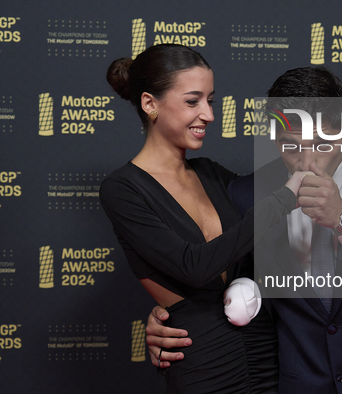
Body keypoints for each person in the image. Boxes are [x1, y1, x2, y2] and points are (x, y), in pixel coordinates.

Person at [146, 66, 342, 393]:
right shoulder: (247, 195)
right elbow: (227, 286)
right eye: (290, 146)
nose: (305, 162)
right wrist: (171, 320)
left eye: (320, 143)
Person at [99, 44, 309, 393]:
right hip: (203, 366)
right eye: (193, 101)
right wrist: (284, 199)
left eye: (210, 100)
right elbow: (193, 267)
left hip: (267, 355)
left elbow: (268, 233)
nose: (209, 115)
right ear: (150, 103)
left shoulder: (211, 174)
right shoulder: (122, 189)